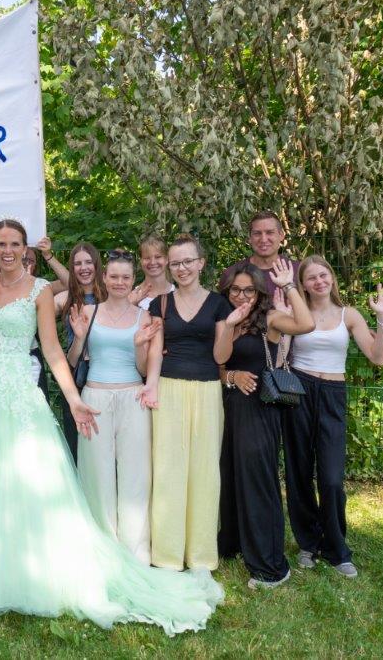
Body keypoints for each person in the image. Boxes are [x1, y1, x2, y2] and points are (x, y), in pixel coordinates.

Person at [0, 219, 223, 634]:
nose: (7, 250)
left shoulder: (41, 290)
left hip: (17, 388)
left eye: (15, 243)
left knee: (28, 475)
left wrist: (74, 398)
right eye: (1, 243)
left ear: (25, 249)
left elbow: (51, 349)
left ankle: (34, 567)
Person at [283, 255, 383, 579]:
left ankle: (336, 548)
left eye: (323, 275)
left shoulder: (350, 315)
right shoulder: (296, 312)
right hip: (299, 391)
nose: (319, 281)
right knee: (298, 472)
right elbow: (280, 355)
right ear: (303, 285)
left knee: (332, 478)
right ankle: (308, 543)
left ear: (332, 278)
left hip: (333, 393)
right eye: (311, 278)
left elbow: (377, 357)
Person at [214, 260, 314, 589]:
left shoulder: (269, 319)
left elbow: (306, 323)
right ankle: (234, 544)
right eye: (235, 289)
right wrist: (232, 375)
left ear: (259, 292)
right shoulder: (225, 319)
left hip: (260, 409)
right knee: (231, 477)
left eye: (248, 290)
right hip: (229, 407)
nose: (241, 296)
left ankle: (271, 567)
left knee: (258, 482)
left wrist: (288, 285)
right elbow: (219, 362)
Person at [145, 233, 231, 572]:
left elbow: (221, 356)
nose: (181, 268)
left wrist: (230, 326)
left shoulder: (219, 304)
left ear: (201, 263)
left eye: (188, 261)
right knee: (168, 469)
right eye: (175, 263)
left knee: (205, 470)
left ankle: (200, 555)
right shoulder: (160, 304)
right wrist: (151, 385)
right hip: (169, 388)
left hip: (208, 390)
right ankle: (167, 555)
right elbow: (155, 349)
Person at [67, 249, 159, 564]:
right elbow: (72, 361)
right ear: (104, 278)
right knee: (97, 473)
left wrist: (139, 346)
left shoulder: (144, 317)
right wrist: (79, 337)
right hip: (95, 399)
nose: (120, 282)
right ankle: (101, 547)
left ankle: (135, 550)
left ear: (133, 280)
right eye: (114, 276)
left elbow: (144, 368)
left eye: (126, 277)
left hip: (132, 398)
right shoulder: (88, 312)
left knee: (135, 474)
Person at [54, 242, 107, 461]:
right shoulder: (63, 299)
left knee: (103, 448)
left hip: (106, 379)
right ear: (72, 268)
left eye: (88, 262)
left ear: (97, 265)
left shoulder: (112, 296)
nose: (83, 268)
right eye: (77, 263)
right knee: (77, 448)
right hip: (75, 378)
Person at [219, 211, 299, 295]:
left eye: (270, 232)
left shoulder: (298, 271)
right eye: (257, 233)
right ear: (249, 238)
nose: (263, 239)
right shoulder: (231, 274)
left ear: (281, 235)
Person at [132, 234, 173, 310]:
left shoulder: (178, 294)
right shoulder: (132, 296)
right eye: (147, 258)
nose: (152, 262)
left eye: (158, 257)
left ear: (167, 259)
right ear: (141, 261)